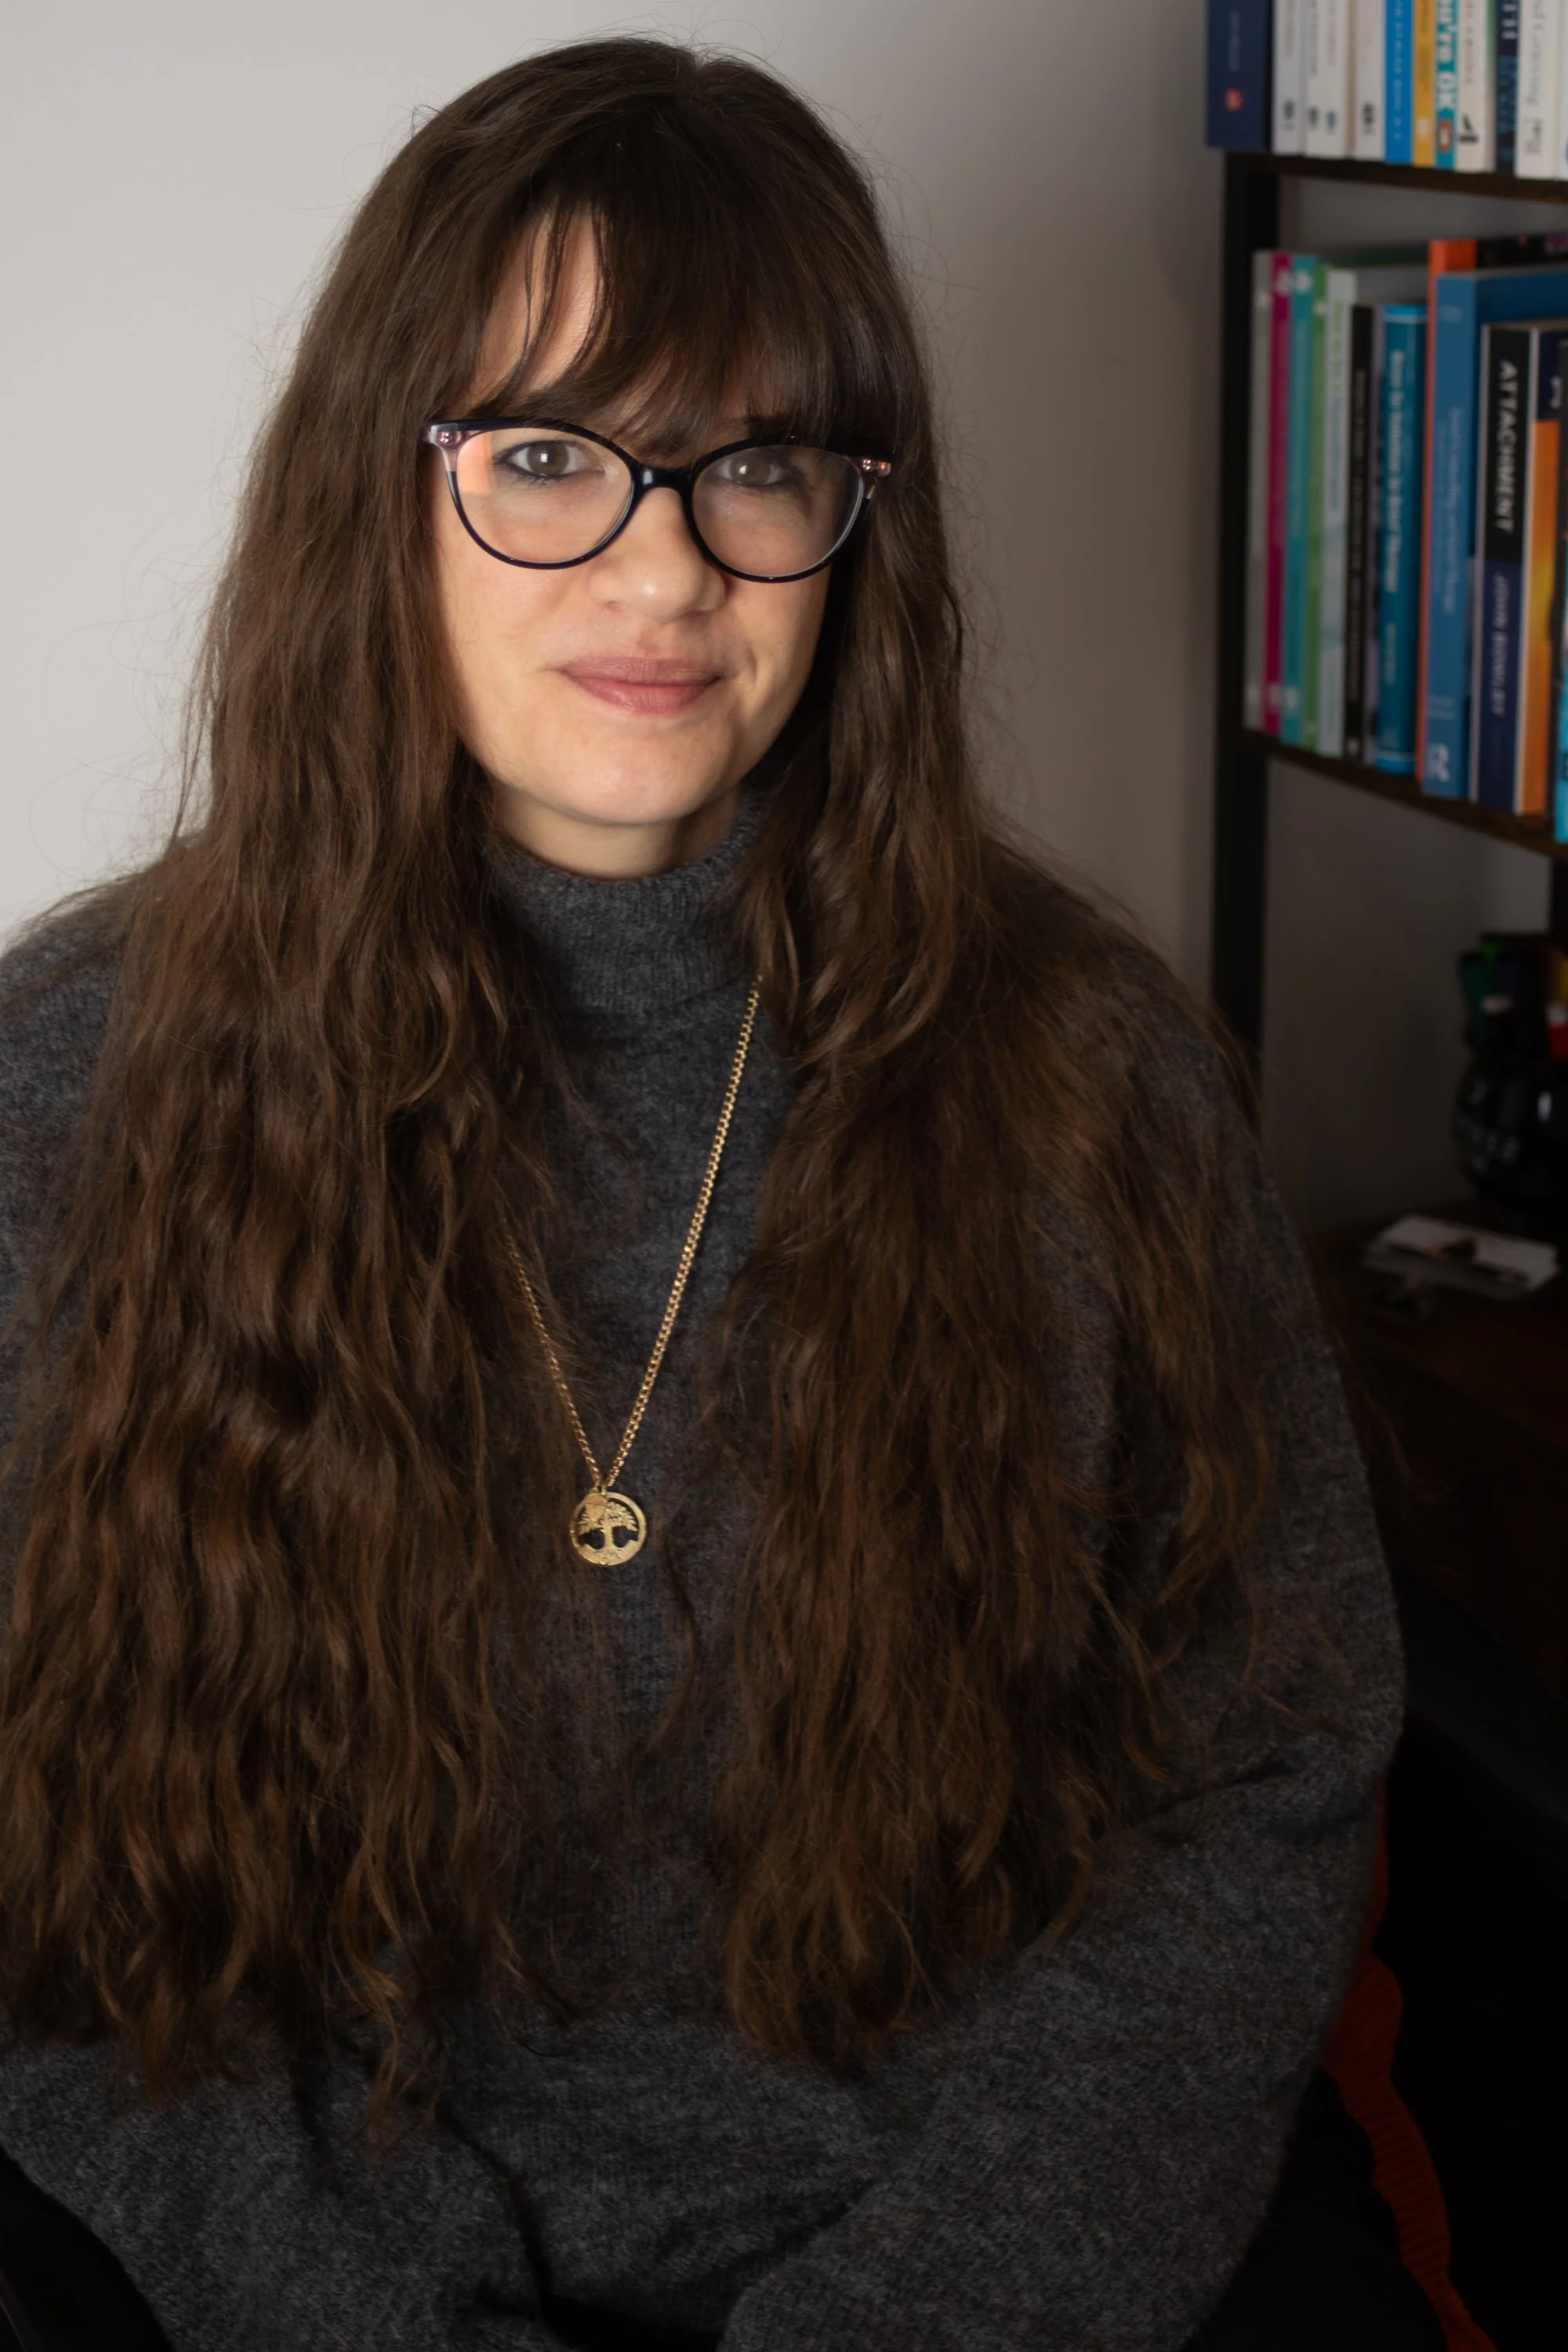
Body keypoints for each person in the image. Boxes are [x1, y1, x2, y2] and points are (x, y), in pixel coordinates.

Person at [0, 36, 1435, 2352]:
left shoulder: (1094, 1069)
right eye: (550, 456)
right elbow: (45, 1918)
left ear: (857, 522)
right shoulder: (61, 1084)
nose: (665, 567)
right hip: (324, 2264)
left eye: (756, 464)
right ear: (381, 494)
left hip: (986, 2240)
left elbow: (1261, 1772)